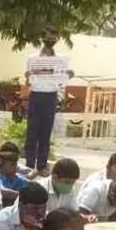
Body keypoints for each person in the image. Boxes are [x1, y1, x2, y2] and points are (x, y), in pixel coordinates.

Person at [24, 25, 73, 176]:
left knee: (46, 133)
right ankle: (29, 166)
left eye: (53, 37)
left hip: (51, 96)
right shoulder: (33, 59)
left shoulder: (61, 60)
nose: (50, 39)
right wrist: (27, 77)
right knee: (32, 132)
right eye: (47, 37)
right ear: (42, 38)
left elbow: (61, 80)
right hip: (36, 96)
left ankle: (42, 166)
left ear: (57, 39)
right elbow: (29, 82)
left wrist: (69, 74)